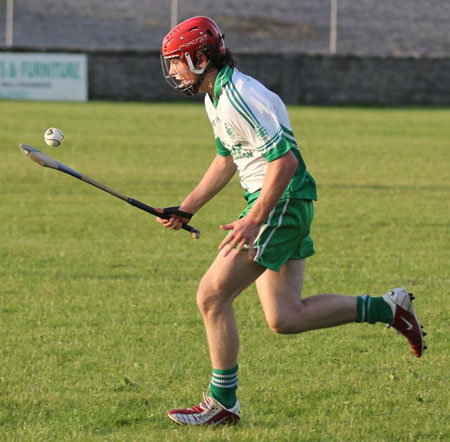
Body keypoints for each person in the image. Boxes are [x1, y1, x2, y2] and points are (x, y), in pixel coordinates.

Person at [157, 16, 426, 426]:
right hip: (277, 200)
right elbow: (227, 158)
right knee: (285, 317)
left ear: (200, 58)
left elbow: (285, 161)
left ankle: (222, 404)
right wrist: (187, 206)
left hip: (280, 200)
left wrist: (254, 218)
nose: (173, 70)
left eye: (177, 61)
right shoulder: (216, 97)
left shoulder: (238, 95)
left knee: (211, 296)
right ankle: (388, 309)